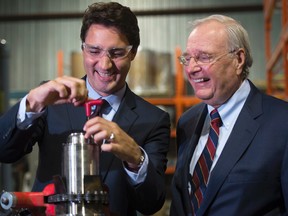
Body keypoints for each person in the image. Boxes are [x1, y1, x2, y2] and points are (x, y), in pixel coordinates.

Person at [0, 2, 171, 216]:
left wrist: (136, 157)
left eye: (116, 53)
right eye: (94, 51)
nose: (104, 64)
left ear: (133, 52)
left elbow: (151, 203)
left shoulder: (153, 120)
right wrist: (32, 102)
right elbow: (4, 151)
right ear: (82, 48)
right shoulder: (51, 100)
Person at [170, 14, 288, 216]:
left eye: (204, 57)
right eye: (188, 58)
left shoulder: (282, 122)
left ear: (238, 59)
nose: (192, 68)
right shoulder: (187, 123)